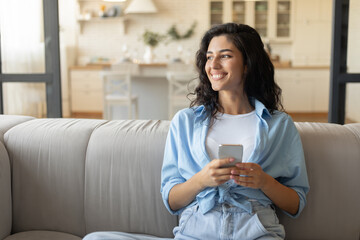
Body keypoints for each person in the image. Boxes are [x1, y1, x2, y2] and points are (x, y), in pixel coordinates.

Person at [160, 23, 309, 239]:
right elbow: (171, 200)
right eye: (210, 57)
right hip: (198, 227)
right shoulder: (185, 122)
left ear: (247, 64)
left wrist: (264, 181)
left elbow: (296, 204)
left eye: (225, 56)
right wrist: (201, 180)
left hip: (255, 228)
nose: (214, 65)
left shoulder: (279, 125)